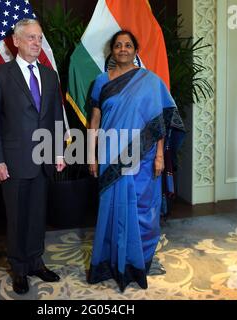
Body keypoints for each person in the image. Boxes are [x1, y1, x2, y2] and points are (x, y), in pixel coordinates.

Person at [86, 30, 185, 292]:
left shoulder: (151, 82)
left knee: (142, 208)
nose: (123, 49)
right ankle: (109, 261)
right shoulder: (100, 82)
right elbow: (94, 123)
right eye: (118, 45)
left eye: (128, 45)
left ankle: (138, 261)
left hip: (144, 157)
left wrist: (161, 155)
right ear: (112, 51)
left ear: (136, 50)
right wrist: (91, 155)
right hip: (110, 155)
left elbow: (161, 122)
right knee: (111, 207)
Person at [0, 18, 66, 295]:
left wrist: (58, 151)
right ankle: (19, 268)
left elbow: (56, 117)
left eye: (40, 38)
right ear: (16, 41)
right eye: (31, 38)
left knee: (37, 215)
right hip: (13, 161)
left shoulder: (50, 75)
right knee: (17, 217)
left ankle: (35, 261)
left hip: (43, 159)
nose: (37, 43)